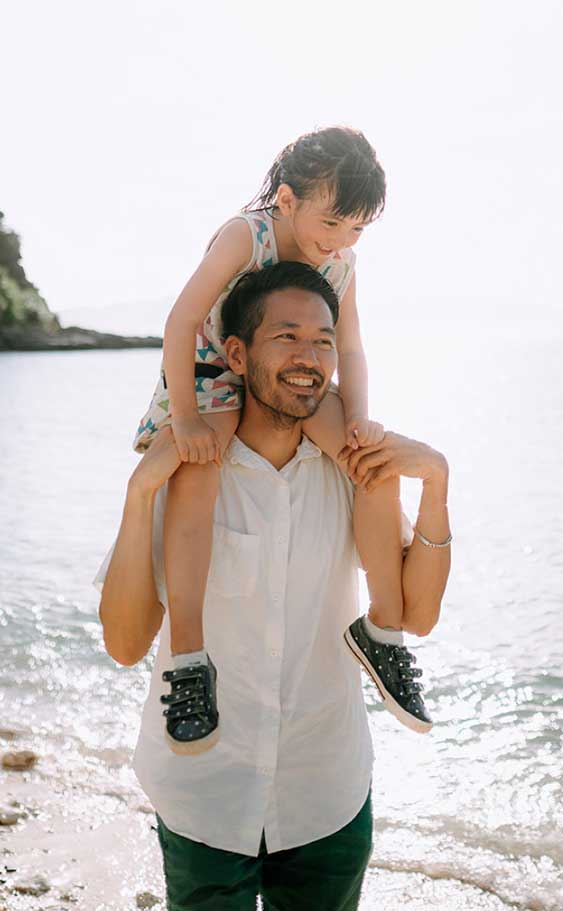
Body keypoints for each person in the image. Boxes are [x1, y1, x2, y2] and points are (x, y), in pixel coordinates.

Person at [96, 262, 451, 910]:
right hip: (205, 798)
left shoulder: (353, 468)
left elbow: (418, 614)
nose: (309, 356)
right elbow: (124, 642)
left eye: (322, 340)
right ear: (236, 352)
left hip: (327, 799)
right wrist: (139, 490)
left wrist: (435, 479)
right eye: (287, 336)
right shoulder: (187, 474)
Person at [132, 126, 429, 753]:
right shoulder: (249, 234)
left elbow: (348, 347)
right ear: (289, 200)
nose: (340, 241)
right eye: (332, 223)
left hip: (289, 374)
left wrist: (359, 418)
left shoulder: (342, 262)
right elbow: (182, 321)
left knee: (366, 459)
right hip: (213, 367)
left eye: (357, 229)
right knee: (199, 469)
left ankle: (383, 629)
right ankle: (188, 659)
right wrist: (185, 417)